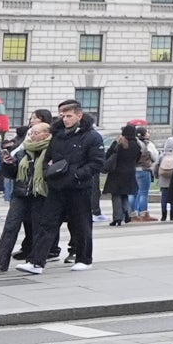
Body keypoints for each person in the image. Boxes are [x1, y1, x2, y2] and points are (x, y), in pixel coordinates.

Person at [42, 99, 106, 267]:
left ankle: (84, 259)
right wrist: (47, 172)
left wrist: (77, 175)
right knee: (47, 222)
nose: (64, 119)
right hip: (57, 186)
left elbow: (97, 163)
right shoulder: (57, 135)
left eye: (69, 116)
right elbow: (48, 158)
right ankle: (36, 261)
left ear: (79, 116)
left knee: (81, 224)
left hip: (79, 187)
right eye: (62, 116)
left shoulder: (92, 137)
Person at [0, 117, 57, 274]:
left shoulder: (52, 151)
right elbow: (13, 174)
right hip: (21, 193)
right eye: (31, 133)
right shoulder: (23, 151)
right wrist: (8, 164)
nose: (32, 136)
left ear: (46, 134)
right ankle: (0, 263)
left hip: (40, 194)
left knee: (37, 228)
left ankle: (34, 260)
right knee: (10, 227)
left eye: (36, 133)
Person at [104, 123, 144, 227]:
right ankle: (126, 211)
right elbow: (138, 159)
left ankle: (117, 218)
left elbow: (108, 154)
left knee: (116, 195)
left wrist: (114, 143)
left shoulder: (120, 143)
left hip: (117, 172)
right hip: (130, 172)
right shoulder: (136, 145)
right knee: (125, 194)